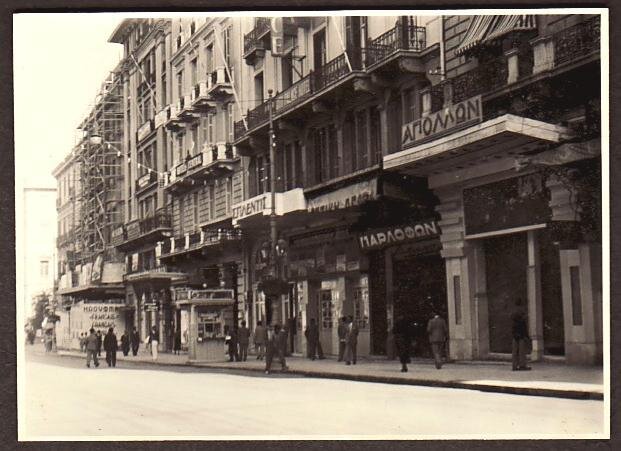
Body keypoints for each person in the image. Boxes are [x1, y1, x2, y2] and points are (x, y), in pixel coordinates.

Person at [511, 303, 531, 371]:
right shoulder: (522, 319)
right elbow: (524, 328)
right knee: (522, 351)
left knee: (515, 352)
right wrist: (527, 336)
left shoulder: (513, 316)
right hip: (521, 336)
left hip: (515, 336)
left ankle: (514, 366)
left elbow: (512, 328)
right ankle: (522, 365)